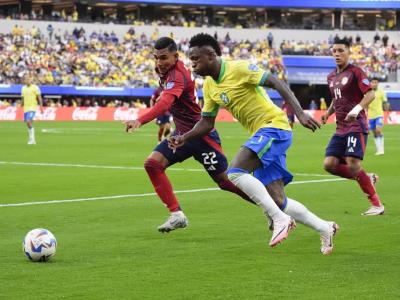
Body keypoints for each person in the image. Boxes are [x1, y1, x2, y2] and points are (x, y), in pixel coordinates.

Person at [170, 33, 339, 254]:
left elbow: (277, 82)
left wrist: (299, 113)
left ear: (210, 55)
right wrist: (185, 136)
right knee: (278, 199)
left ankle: (280, 220)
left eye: (195, 58)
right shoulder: (210, 86)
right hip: (263, 133)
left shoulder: (238, 68)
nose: (192, 63)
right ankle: (324, 227)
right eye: (190, 58)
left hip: (274, 126)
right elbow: (207, 122)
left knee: (235, 172)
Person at [124, 37, 256, 234]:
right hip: (181, 135)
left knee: (226, 182)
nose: (159, 62)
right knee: (153, 164)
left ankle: (272, 207)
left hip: (201, 135)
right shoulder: (164, 71)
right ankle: (176, 215)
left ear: (176, 56)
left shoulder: (177, 75)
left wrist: (140, 120)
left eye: (163, 58)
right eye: (156, 58)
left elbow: (166, 102)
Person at [321, 39, 384, 216]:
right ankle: (367, 177)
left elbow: (370, 94)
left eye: (341, 50)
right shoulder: (331, 77)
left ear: (349, 52)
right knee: (329, 164)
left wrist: (356, 109)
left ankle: (377, 205)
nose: (337, 54)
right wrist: (328, 112)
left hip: (356, 125)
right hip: (340, 128)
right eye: (334, 51)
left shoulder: (356, 72)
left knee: (353, 162)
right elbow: (336, 97)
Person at [368, 77, 389, 155]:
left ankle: (381, 149)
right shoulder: (367, 92)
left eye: (376, 82)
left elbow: (385, 102)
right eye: (373, 82)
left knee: (378, 130)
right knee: (374, 133)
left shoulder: (381, 92)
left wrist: (387, 107)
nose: (374, 84)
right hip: (370, 115)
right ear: (371, 83)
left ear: (378, 83)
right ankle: (378, 149)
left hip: (379, 114)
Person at [21, 74, 42, 145]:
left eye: (28, 79)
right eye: (25, 79)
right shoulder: (23, 88)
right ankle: (31, 139)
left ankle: (32, 139)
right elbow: (22, 98)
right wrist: (21, 104)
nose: (27, 81)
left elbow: (39, 97)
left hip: (32, 107)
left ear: (30, 80)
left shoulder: (35, 87)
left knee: (28, 122)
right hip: (26, 108)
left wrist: (41, 107)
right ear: (24, 81)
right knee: (28, 124)